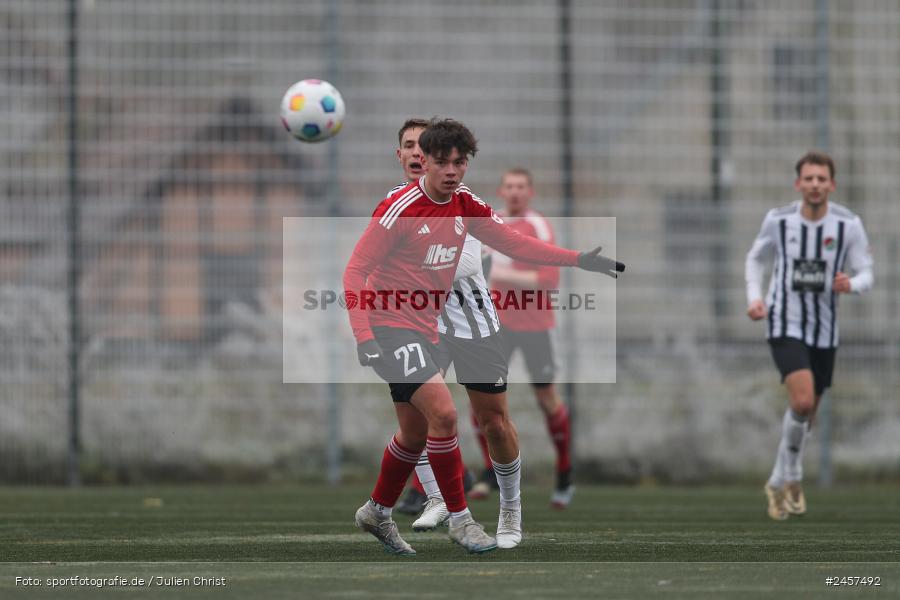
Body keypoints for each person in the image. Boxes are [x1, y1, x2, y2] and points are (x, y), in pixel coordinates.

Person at [344, 118, 623, 555]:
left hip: (449, 321)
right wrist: (363, 334)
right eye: (440, 161)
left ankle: (379, 510)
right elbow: (356, 270)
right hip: (391, 325)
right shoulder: (396, 208)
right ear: (416, 159)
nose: (451, 170)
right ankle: (461, 519)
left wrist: (577, 260)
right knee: (446, 415)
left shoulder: (465, 204)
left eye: (460, 162)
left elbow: (513, 242)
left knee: (423, 432)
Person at [387, 119, 523, 549]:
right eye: (408, 146)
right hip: (417, 321)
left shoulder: (462, 202)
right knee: (422, 415)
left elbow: (466, 261)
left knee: (494, 423)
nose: (415, 154)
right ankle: (441, 499)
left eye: (421, 147)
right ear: (403, 156)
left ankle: (510, 508)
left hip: (471, 320)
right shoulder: (394, 206)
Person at [745, 150, 872, 521]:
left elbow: (868, 271)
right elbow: (755, 258)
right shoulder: (779, 221)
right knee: (801, 403)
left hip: (824, 329)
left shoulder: (848, 225)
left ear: (832, 184)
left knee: (807, 414)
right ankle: (795, 477)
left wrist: (853, 284)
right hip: (784, 321)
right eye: (809, 178)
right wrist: (754, 298)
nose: (815, 185)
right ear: (798, 183)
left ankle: (777, 480)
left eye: (822, 179)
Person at [474, 168, 574, 509]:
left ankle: (564, 473)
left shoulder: (539, 227)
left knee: (546, 397)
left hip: (534, 325)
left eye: (521, 187)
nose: (515, 192)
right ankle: (490, 472)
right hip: (497, 323)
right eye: (510, 186)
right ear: (501, 191)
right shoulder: (491, 223)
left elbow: (547, 280)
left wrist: (500, 274)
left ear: (530, 192)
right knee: (481, 394)